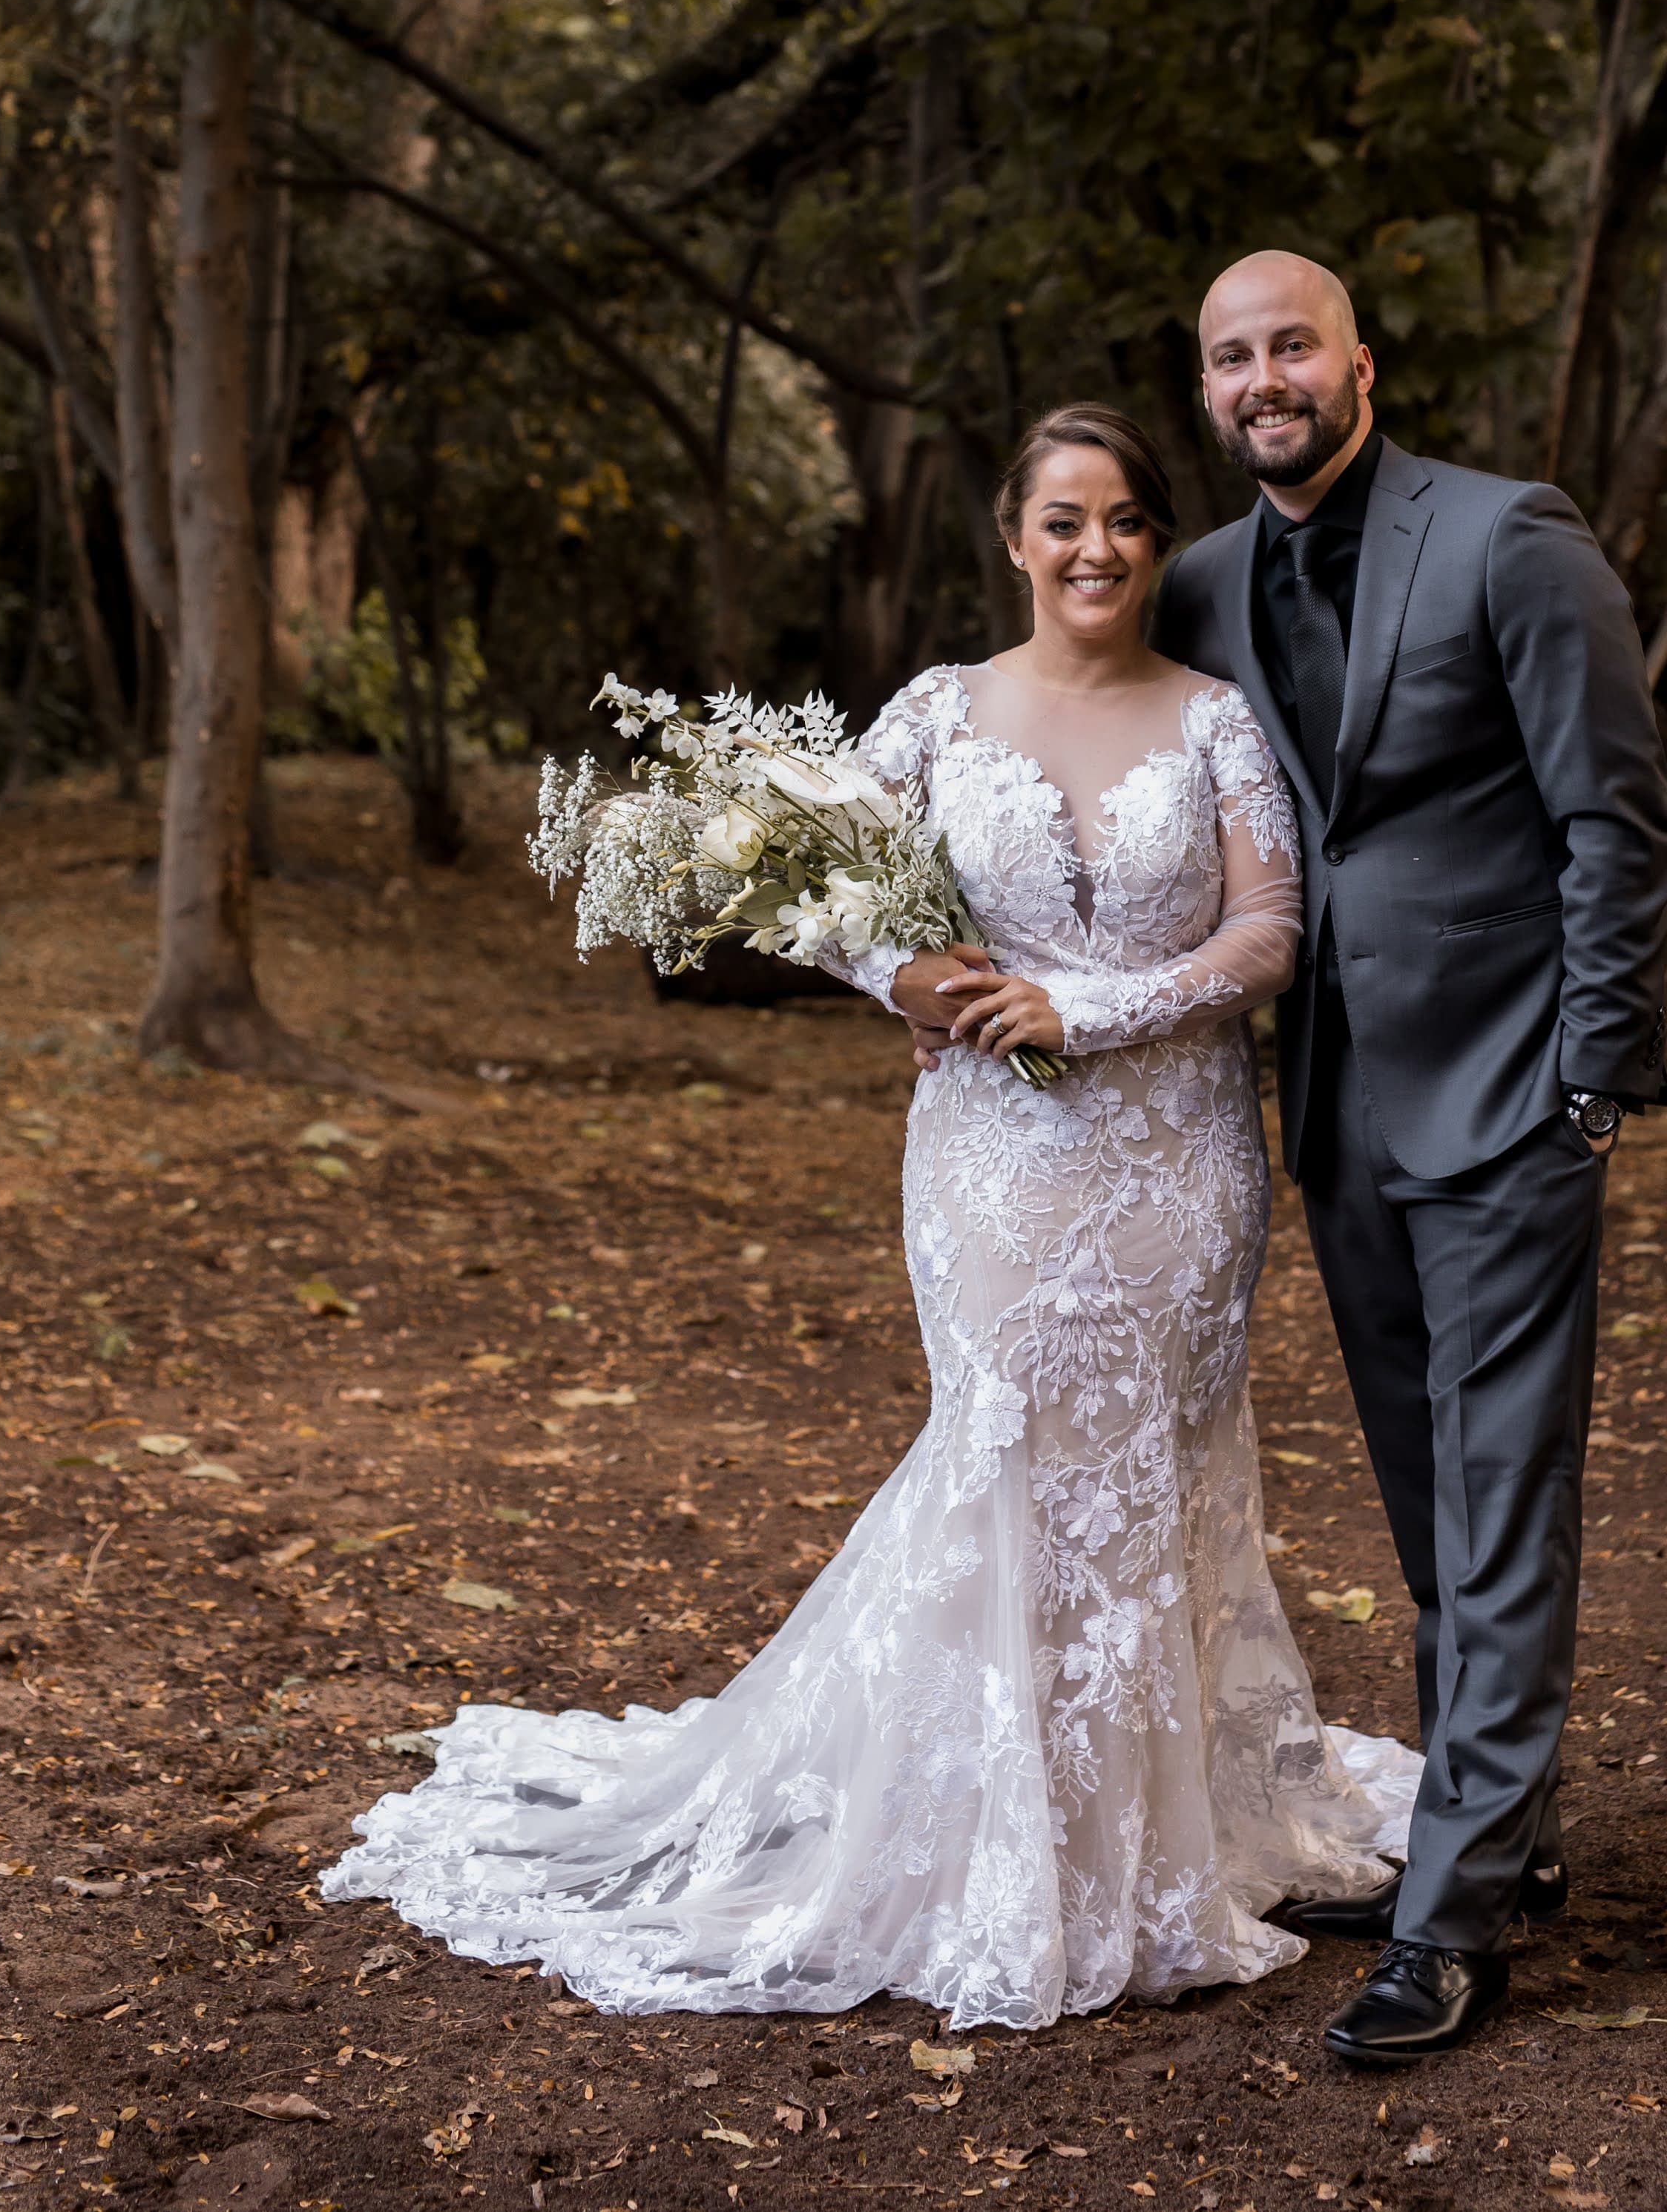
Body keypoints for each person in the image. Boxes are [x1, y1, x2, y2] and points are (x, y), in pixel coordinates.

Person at [322, 401, 1414, 2032]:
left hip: (1179, 1161)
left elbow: (1269, 927)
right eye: (1063, 520)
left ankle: (1160, 1835)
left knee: (1161, 1467)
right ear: (1013, 536)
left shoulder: (1214, 721)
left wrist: (1089, 1011)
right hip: (988, 1161)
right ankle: (992, 1836)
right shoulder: (936, 712)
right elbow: (800, 886)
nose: (1096, 549)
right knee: (1004, 1443)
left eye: (1123, 519)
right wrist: (900, 969)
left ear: (1153, 536)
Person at [1151, 252, 1667, 2067]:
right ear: (1209, 393)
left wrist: (1591, 1077)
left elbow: (1614, 816)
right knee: (1426, 1498)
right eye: (1231, 359)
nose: (1263, 377)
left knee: (1502, 1493)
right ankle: (1496, 1825)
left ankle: (1452, 1919)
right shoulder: (1206, 585)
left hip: (1513, 1095)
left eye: (1290, 343)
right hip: (1334, 1111)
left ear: (1360, 360)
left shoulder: (1508, 537)